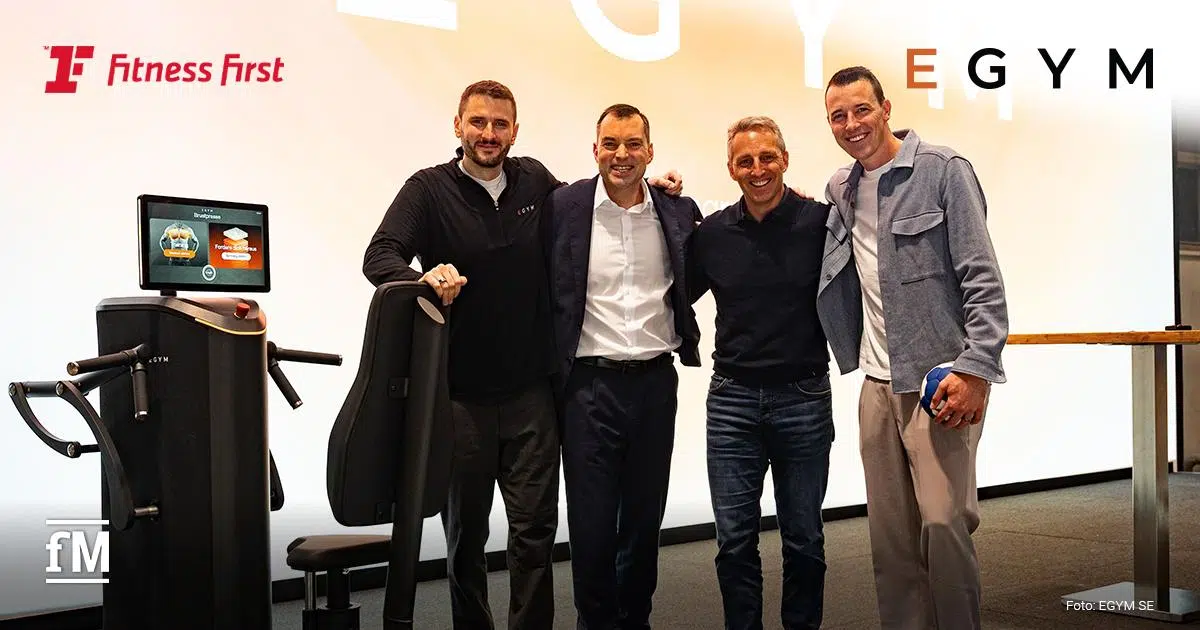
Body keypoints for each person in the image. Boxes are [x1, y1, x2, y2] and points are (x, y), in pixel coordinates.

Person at [362, 81, 682, 630]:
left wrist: (646, 186)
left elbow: (597, 197)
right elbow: (379, 255)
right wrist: (422, 278)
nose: (489, 134)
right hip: (459, 396)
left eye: (500, 124)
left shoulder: (535, 180)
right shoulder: (428, 189)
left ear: (515, 130)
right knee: (466, 537)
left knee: (534, 533)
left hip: (532, 393)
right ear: (458, 126)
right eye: (478, 122)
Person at [819, 66, 1008, 630]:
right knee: (892, 542)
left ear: (886, 109)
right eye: (837, 115)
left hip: (939, 381)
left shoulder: (944, 170)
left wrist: (976, 370)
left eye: (861, 109)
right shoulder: (841, 189)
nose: (852, 124)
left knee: (945, 525)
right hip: (876, 386)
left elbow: (982, 277)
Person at [544, 103, 702, 630]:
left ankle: (637, 620)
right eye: (610, 144)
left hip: (655, 385)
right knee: (590, 527)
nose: (622, 155)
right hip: (589, 389)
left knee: (642, 520)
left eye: (633, 144)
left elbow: (702, 269)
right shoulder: (564, 207)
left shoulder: (677, 210)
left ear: (650, 152)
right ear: (595, 150)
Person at [686, 116, 835, 630]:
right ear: (731, 169)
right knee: (733, 542)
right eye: (745, 161)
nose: (758, 169)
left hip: (804, 398)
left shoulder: (821, 223)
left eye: (767, 157)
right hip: (733, 401)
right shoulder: (712, 234)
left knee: (805, 539)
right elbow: (672, 293)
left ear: (785, 160)